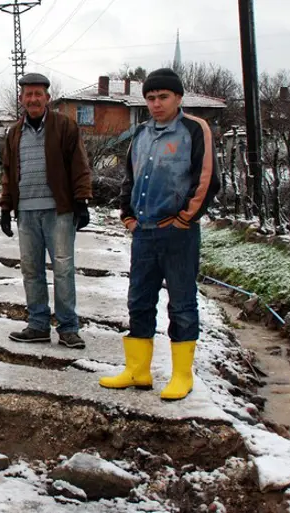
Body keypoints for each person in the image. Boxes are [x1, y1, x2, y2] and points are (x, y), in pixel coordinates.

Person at [99, 68, 220, 401]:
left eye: (162, 97)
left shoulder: (195, 129)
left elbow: (207, 178)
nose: (155, 104)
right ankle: (138, 371)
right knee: (139, 301)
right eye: (150, 98)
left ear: (178, 98)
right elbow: (130, 177)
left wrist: (185, 219)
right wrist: (127, 215)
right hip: (144, 233)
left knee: (181, 304)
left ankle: (182, 375)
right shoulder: (140, 134)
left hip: (178, 233)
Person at [0, 72, 93, 349]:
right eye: (28, 94)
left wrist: (82, 201)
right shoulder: (14, 133)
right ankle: (38, 325)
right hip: (26, 212)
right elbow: (8, 173)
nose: (33, 99)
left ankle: (68, 328)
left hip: (58, 212)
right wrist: (6, 208)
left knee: (63, 269)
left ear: (47, 98)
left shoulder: (65, 127)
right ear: (21, 99)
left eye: (38, 94)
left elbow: (79, 165)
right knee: (31, 271)